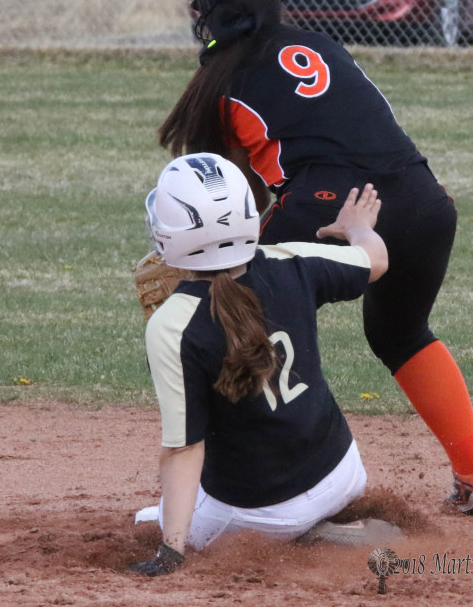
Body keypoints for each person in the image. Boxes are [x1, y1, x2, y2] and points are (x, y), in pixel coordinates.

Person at [157, 0, 473, 516]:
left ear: (207, 13)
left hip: (329, 204)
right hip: (423, 201)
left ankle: (273, 484)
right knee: (401, 333)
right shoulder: (320, 44)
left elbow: (228, 199)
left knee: (230, 308)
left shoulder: (222, 79)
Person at [130, 153, 398, 577]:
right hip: (342, 470)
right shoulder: (290, 262)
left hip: (264, 509)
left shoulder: (173, 325)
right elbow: (375, 261)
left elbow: (184, 449)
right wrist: (358, 228)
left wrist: (171, 550)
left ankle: (310, 538)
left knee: (158, 517)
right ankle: (313, 521)